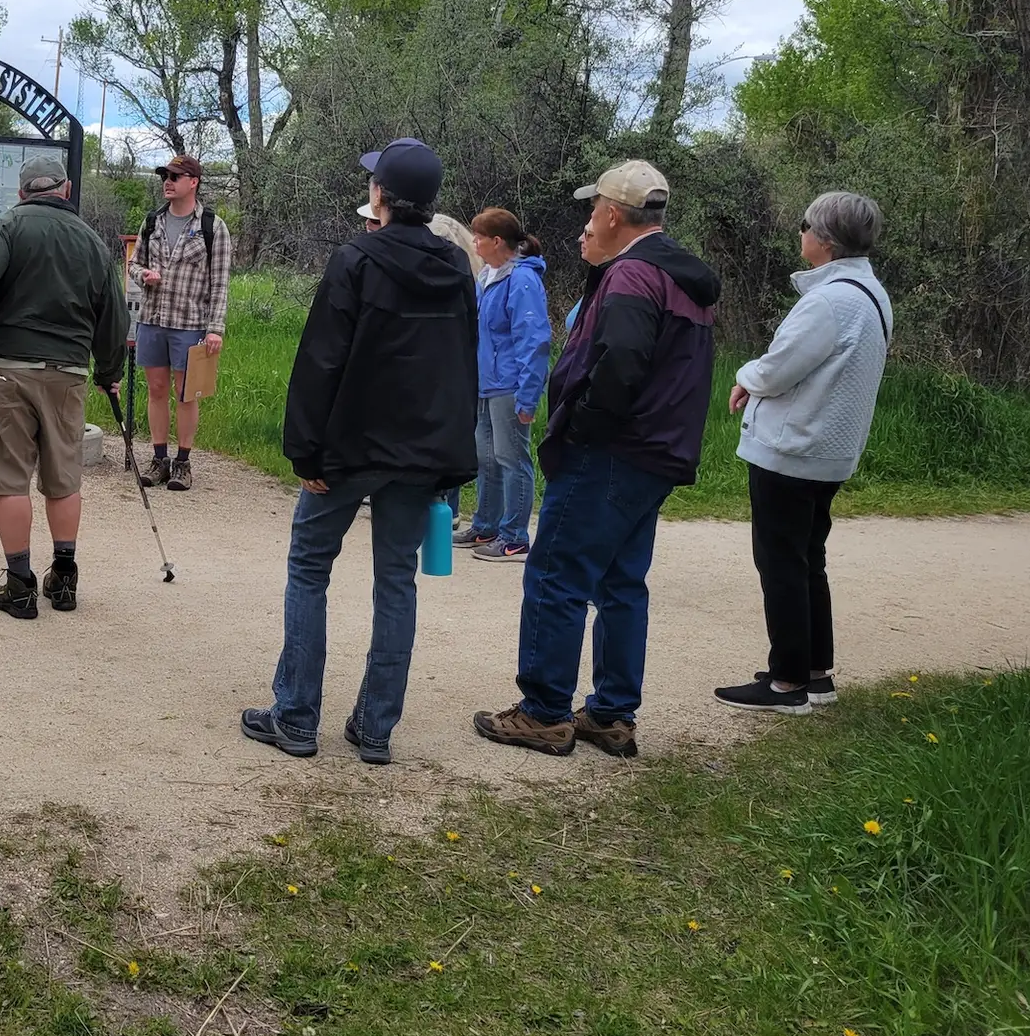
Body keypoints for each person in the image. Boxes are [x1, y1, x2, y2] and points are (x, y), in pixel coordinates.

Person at [242, 138, 478, 764]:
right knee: (396, 581)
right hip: (420, 454)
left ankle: (295, 717)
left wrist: (305, 453)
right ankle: (375, 728)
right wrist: (452, 463)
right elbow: (461, 369)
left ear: (383, 196)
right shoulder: (457, 269)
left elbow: (321, 360)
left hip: (347, 449)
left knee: (309, 568)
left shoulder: (357, 259)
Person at [473, 160, 719, 759]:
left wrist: (582, 427)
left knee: (556, 575)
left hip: (611, 451)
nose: (588, 220)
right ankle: (611, 714)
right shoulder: (684, 276)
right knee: (621, 582)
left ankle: (544, 712)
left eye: (592, 210)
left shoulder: (633, 276)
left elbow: (624, 361)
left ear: (613, 214)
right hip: (658, 452)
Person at [715, 192, 892, 713]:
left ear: (825, 240)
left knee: (781, 562)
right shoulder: (870, 291)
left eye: (805, 225)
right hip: (830, 450)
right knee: (807, 557)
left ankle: (786, 683)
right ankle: (815, 671)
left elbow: (781, 364)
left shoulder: (829, 300)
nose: (801, 233)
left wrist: (746, 376)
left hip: (793, 448)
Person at [0, 155, 128, 619]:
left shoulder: (7, 228)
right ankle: (64, 579)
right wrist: (108, 373)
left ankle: (19, 586)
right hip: (68, 372)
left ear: (23, 192)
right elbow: (114, 315)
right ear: (65, 190)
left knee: (10, 476)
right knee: (64, 478)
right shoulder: (92, 242)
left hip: (6, 368)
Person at [129, 154, 232, 492]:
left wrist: (215, 328)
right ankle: (159, 459)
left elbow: (220, 282)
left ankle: (182, 463)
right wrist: (144, 274)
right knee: (156, 390)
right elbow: (134, 264)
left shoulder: (212, 226)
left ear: (193, 182)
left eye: (175, 176)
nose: (167, 182)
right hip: (153, 319)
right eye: (165, 176)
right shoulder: (152, 221)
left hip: (190, 323)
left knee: (186, 394)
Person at [456, 208, 550, 563]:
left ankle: (514, 537)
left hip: (509, 384)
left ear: (497, 241)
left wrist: (528, 396)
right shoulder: (486, 276)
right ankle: (485, 524)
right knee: (486, 457)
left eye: (480, 237)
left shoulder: (522, 279)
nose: (475, 242)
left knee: (512, 459)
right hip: (485, 383)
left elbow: (533, 339)